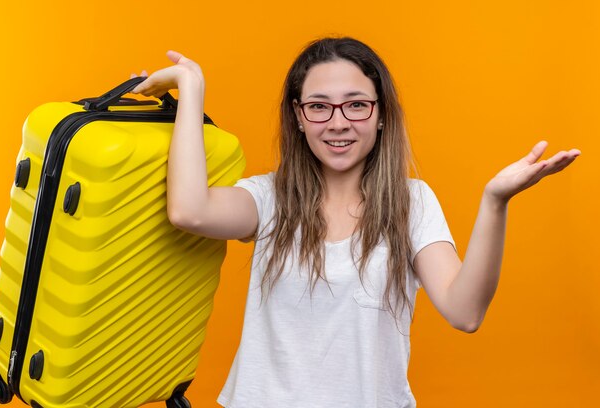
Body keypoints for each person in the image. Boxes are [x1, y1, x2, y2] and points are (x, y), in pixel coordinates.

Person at [132, 37, 580, 408]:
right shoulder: (270, 198)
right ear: (298, 117)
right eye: (319, 107)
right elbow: (189, 210)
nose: (338, 122)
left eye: (356, 105)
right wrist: (192, 88)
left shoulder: (412, 203)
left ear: (382, 114)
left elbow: (465, 313)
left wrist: (494, 201)